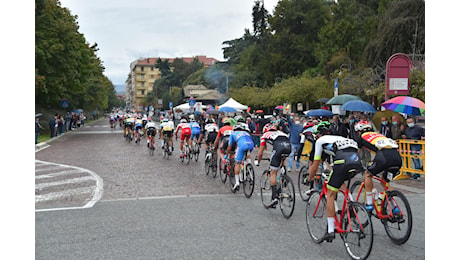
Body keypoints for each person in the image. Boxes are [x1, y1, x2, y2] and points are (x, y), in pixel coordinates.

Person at [306, 122, 363, 242]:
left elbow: (315, 165)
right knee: (341, 184)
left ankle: (331, 229)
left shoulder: (319, 142)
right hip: (356, 161)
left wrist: (309, 178)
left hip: (343, 161)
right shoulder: (339, 138)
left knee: (330, 194)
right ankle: (352, 206)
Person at [354, 121, 402, 211]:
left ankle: (369, 203)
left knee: (368, 174)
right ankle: (395, 207)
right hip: (397, 157)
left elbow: (357, 154)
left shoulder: (361, 137)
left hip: (383, 157)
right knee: (385, 182)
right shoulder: (379, 135)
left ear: (359, 132)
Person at [254, 123, 291, 207]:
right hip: (288, 147)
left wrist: (258, 161)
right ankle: (283, 175)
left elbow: (261, 152)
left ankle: (274, 197)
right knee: (281, 159)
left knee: (273, 172)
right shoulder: (281, 132)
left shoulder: (264, 135)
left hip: (279, 148)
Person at [226, 122, 254, 191]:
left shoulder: (233, 134)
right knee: (247, 154)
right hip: (251, 144)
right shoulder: (246, 132)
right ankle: (248, 165)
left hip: (242, 145)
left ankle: (237, 182)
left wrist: (226, 154)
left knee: (237, 163)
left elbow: (230, 146)